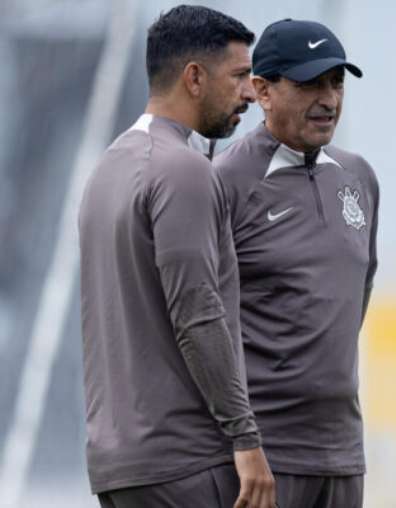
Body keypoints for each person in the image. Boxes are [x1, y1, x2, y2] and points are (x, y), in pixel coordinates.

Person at [78, 6, 276, 508]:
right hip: (187, 465)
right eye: (237, 77)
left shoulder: (108, 167)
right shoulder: (183, 170)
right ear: (194, 77)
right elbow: (197, 314)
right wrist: (247, 439)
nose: (250, 94)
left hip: (119, 468)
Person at [213, 19, 378, 508]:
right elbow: (197, 314)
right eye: (309, 83)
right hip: (262, 457)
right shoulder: (224, 181)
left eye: (336, 82)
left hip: (343, 451)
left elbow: (355, 297)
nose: (328, 99)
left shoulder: (359, 178)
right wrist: (242, 439)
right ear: (262, 90)